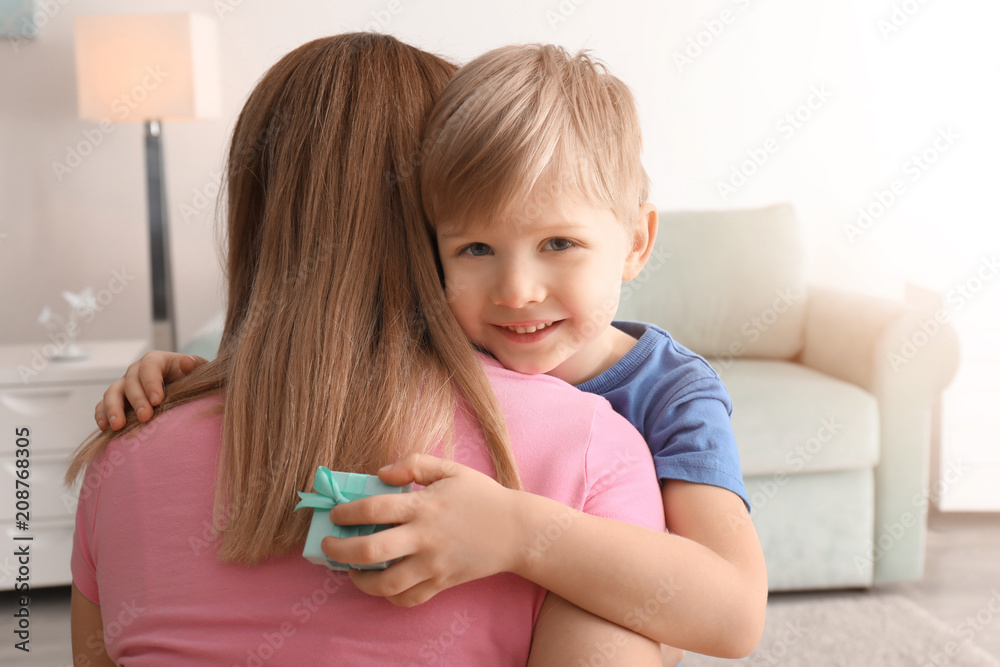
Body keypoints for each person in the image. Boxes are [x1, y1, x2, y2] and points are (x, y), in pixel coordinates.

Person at [96, 43, 768, 659]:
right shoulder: (454, 336)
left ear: (637, 243)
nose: (516, 291)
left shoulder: (671, 391)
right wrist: (193, 376)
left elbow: (734, 613)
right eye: (475, 248)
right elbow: (309, 338)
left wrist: (518, 532)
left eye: (559, 243)